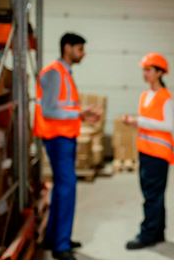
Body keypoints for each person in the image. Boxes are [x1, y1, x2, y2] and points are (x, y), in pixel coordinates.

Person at [34, 32, 101, 260]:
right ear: (68, 48)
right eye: (80, 49)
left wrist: (81, 116)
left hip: (65, 136)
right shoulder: (54, 73)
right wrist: (79, 113)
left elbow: (64, 108)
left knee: (64, 190)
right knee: (66, 188)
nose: (83, 54)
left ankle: (55, 237)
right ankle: (60, 245)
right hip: (58, 139)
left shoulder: (64, 73)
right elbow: (49, 110)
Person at [123, 52, 174, 250]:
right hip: (145, 151)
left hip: (158, 155)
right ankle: (158, 231)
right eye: (144, 70)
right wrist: (135, 123)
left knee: (152, 196)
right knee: (155, 195)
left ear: (160, 72)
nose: (145, 73)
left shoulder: (165, 97)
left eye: (149, 70)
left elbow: (168, 125)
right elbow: (148, 123)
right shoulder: (145, 95)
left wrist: (138, 121)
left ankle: (147, 235)